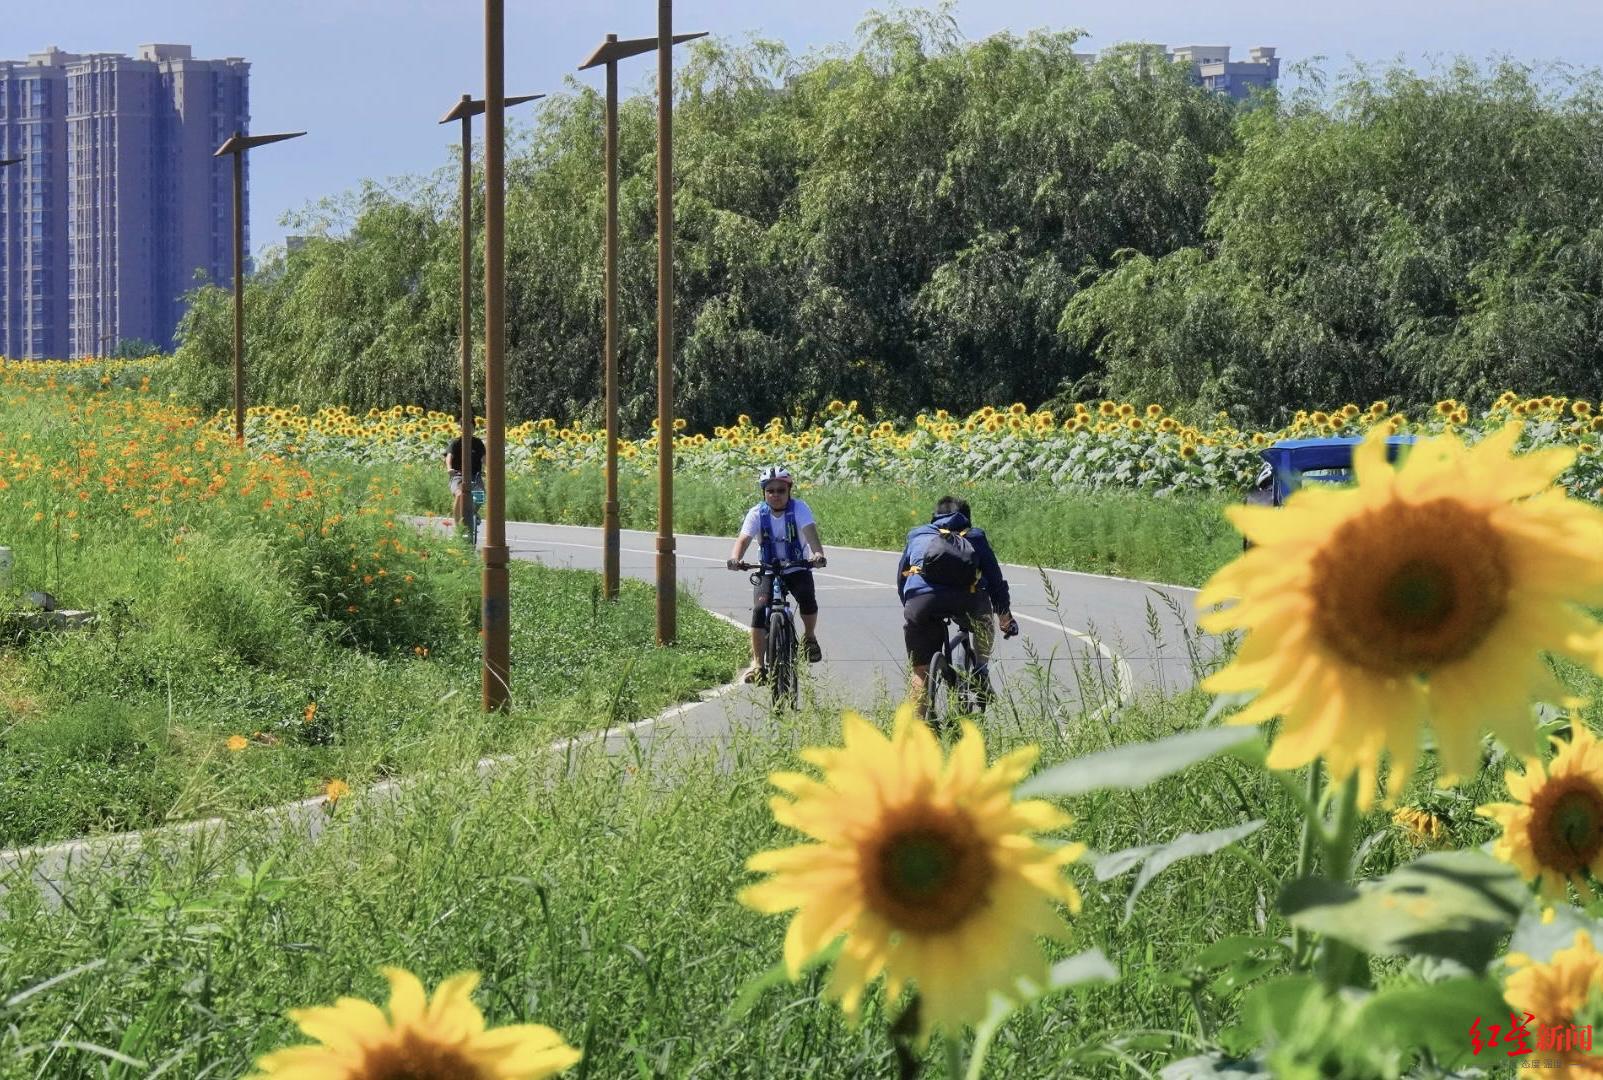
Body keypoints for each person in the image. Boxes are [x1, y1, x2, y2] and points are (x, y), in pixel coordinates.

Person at [898, 496, 1019, 714]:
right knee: (984, 619)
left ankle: (916, 735)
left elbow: (902, 577)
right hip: (967, 600)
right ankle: (981, 671)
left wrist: (912, 609)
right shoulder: (975, 537)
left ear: (934, 517)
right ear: (967, 519)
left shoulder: (917, 534)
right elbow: (995, 582)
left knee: (920, 673)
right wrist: (1004, 617)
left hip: (921, 602)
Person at [726, 466, 828, 683]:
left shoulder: (799, 509)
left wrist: (818, 554)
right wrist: (735, 558)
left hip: (797, 566)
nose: (775, 495)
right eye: (770, 490)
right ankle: (758, 664)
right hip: (768, 568)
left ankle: (809, 638)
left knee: (807, 598)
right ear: (764, 492)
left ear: (789, 490)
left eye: (781, 490)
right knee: (760, 609)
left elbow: (811, 535)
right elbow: (743, 540)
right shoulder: (756, 513)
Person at [445, 433, 486, 527]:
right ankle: (458, 527)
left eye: (471, 427)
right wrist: (449, 468)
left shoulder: (478, 443)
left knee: (480, 495)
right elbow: (449, 456)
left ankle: (473, 512)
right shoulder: (456, 442)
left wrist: (488, 469)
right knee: (459, 495)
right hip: (457, 475)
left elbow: (484, 458)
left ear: (474, 429)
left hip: (475, 475)